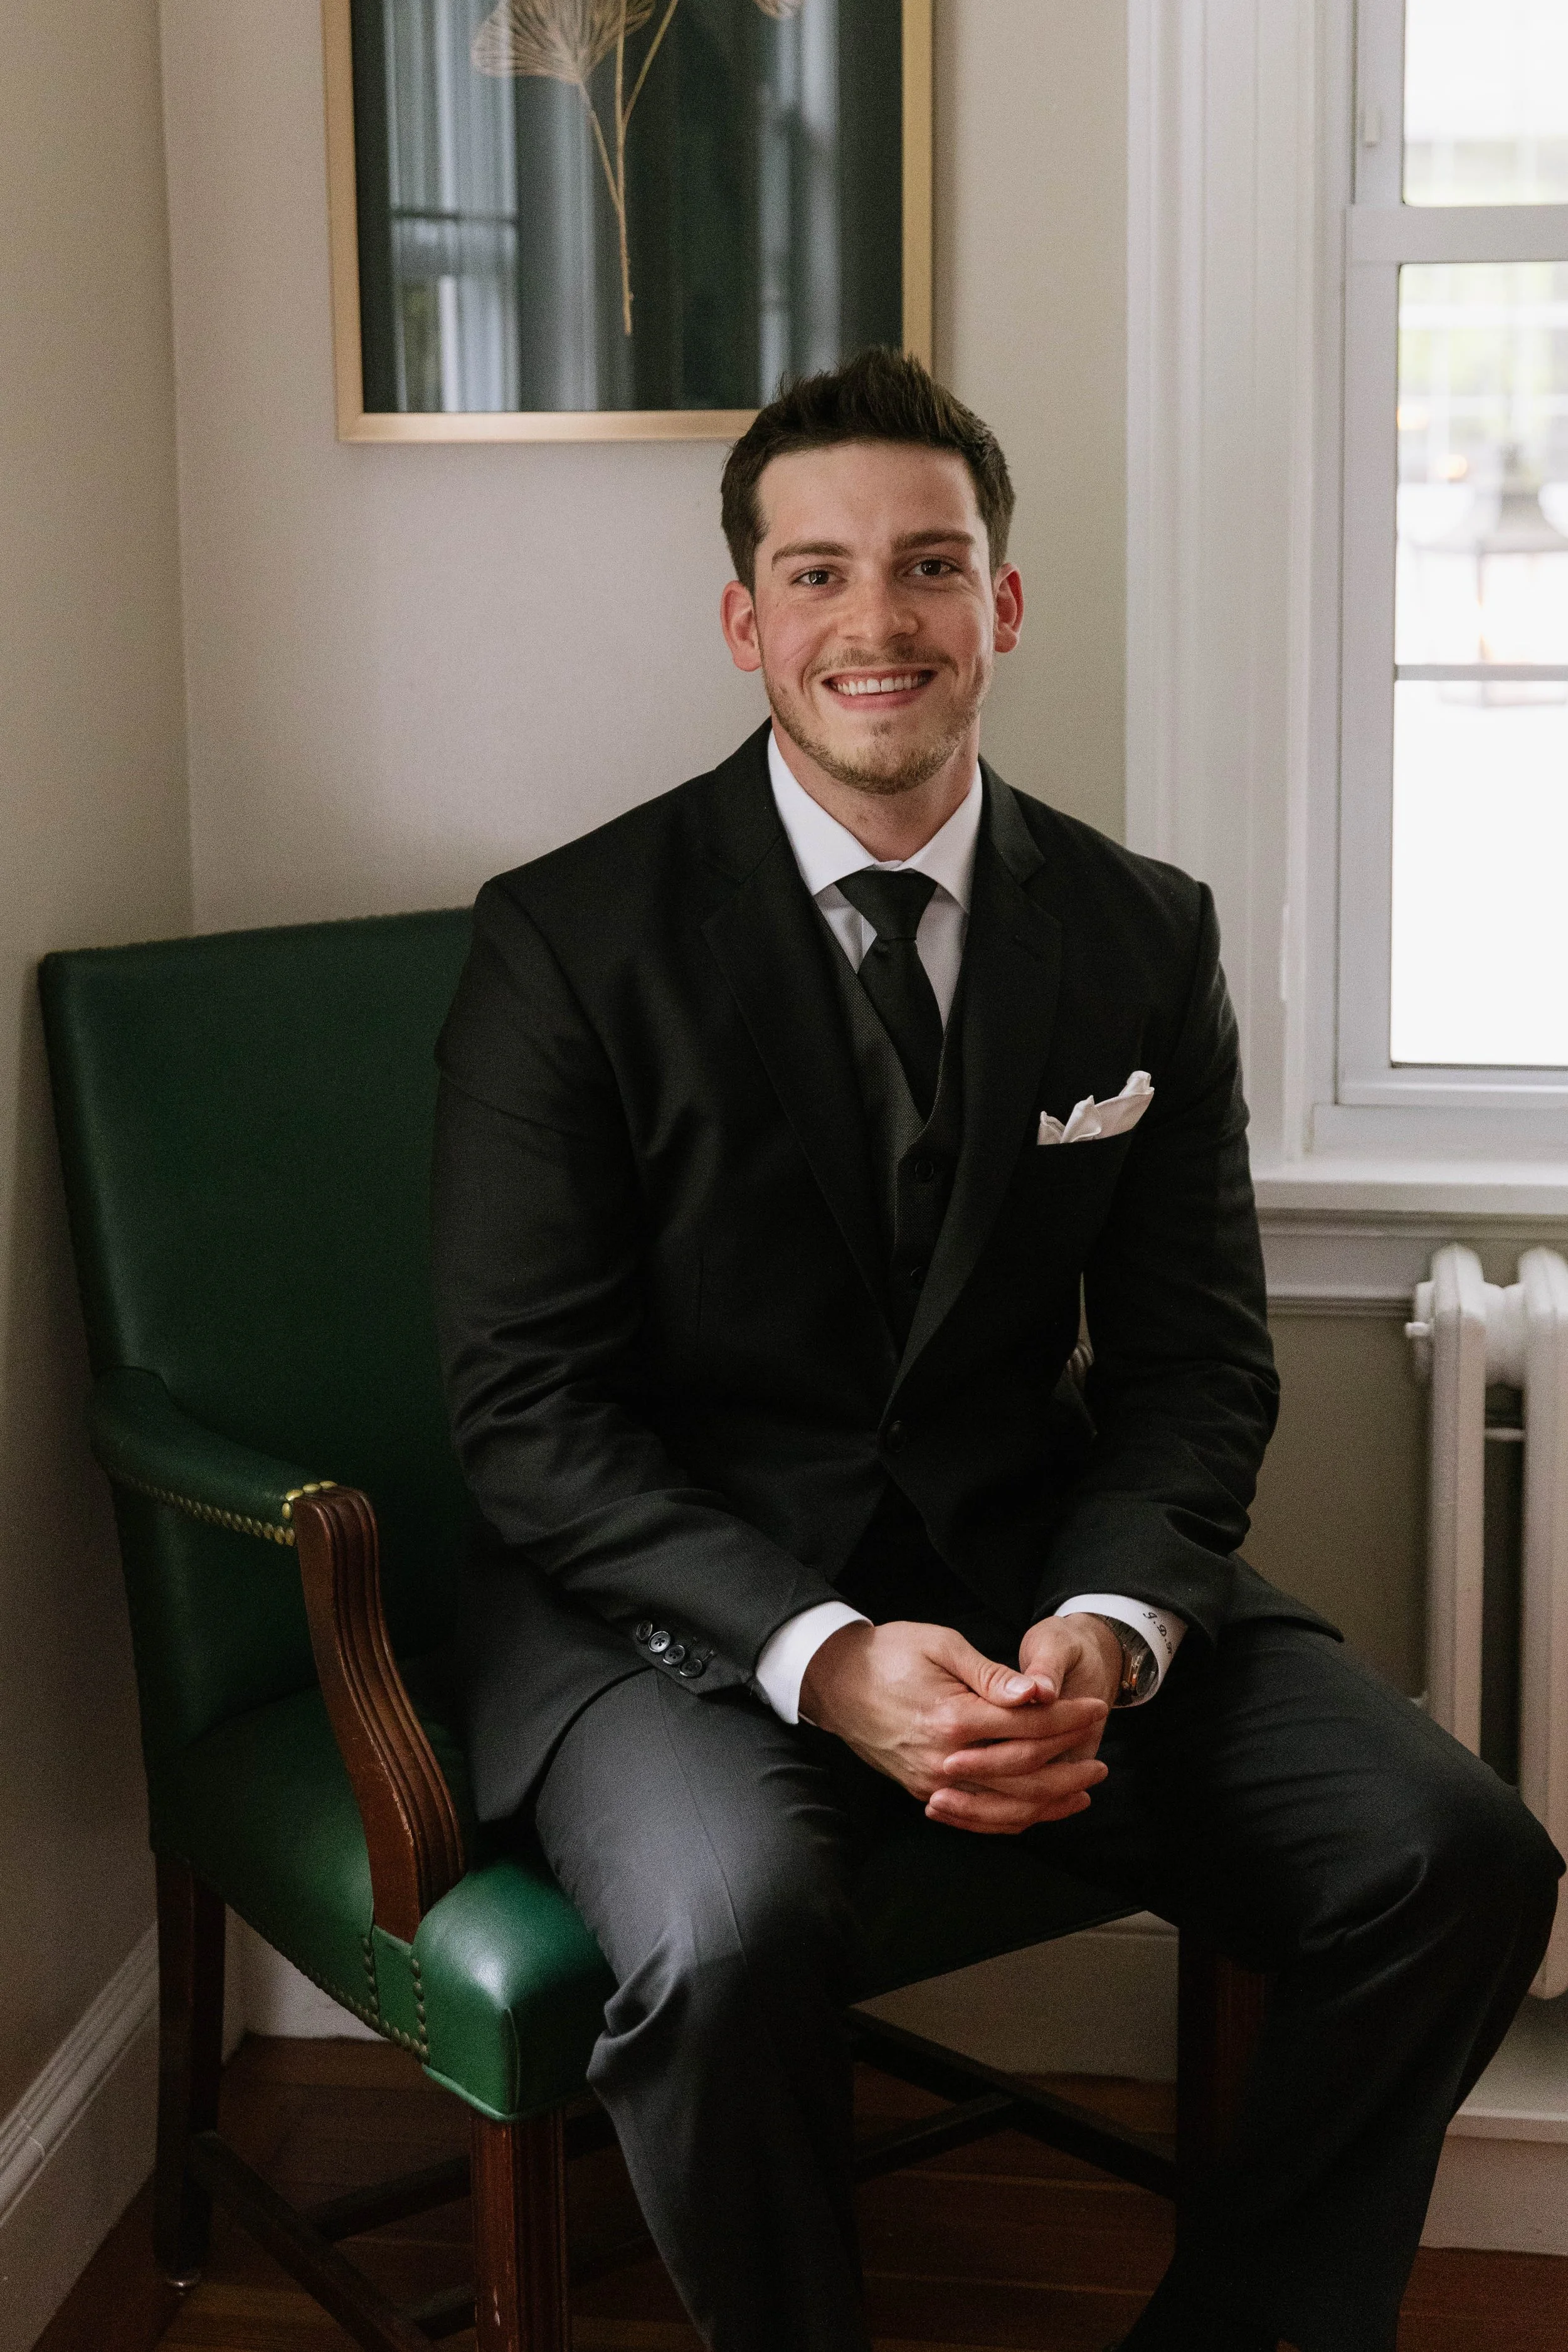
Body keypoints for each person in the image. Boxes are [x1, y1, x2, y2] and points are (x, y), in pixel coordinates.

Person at [431, 347, 1560, 2352]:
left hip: (1036, 1574)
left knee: (1455, 1855)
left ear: (1002, 602)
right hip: (668, 1619)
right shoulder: (568, 938)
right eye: (819, 573)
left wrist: (1111, 1618)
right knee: (728, 1931)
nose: (878, 623)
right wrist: (822, 1651)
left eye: (930, 565)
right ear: (744, 617)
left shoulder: (1140, 933)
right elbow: (531, 1416)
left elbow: (1195, 1365)